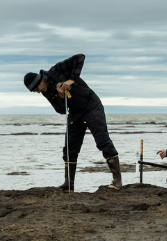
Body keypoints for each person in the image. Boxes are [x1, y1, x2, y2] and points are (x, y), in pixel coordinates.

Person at [23, 54, 122, 193]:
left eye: (35, 89)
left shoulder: (56, 70)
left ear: (40, 80)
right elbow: (61, 110)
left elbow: (80, 57)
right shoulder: (46, 91)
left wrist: (70, 80)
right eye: (34, 91)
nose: (37, 92)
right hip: (75, 113)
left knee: (103, 142)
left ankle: (117, 180)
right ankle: (68, 185)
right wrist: (61, 96)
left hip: (91, 106)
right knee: (69, 148)